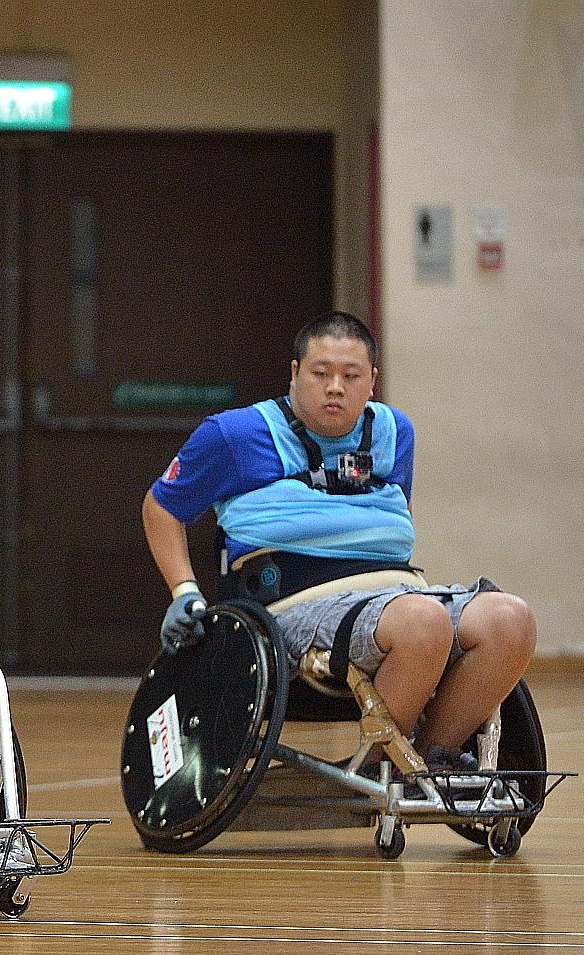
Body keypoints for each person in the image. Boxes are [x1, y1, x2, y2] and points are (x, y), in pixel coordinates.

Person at [142, 311, 536, 770]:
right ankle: (378, 767)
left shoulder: (394, 431)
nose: (335, 387)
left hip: (396, 594)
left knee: (511, 621)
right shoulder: (234, 435)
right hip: (291, 606)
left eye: (351, 376)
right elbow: (162, 507)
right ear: (294, 373)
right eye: (321, 373)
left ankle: (426, 763)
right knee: (422, 623)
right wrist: (184, 591)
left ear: (372, 381)